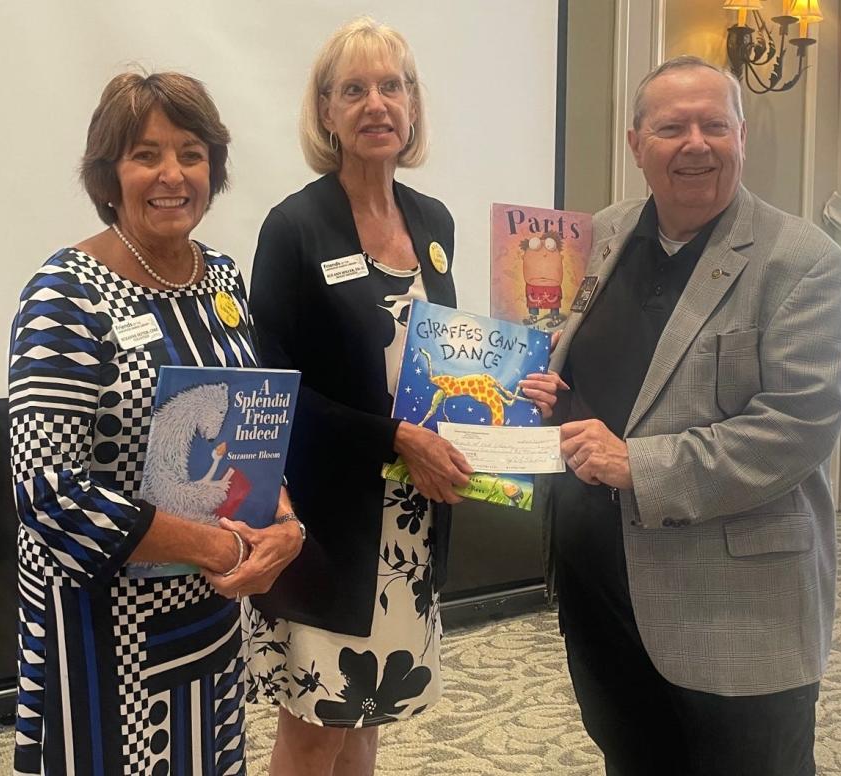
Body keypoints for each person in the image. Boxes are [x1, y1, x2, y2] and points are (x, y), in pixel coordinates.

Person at [244, 17, 559, 776]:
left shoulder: (434, 222)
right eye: (354, 89)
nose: (376, 103)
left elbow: (443, 361)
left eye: (393, 86)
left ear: (413, 105)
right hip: (328, 523)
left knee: (370, 713)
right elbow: (274, 387)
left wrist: (516, 394)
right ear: (326, 111)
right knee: (318, 724)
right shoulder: (293, 227)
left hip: (412, 520)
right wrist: (393, 440)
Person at [545, 55, 841, 776]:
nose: (695, 144)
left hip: (734, 607)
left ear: (742, 136)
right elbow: (590, 367)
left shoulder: (804, 263)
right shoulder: (604, 233)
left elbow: (797, 426)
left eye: (714, 125)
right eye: (671, 127)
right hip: (603, 591)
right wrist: (543, 392)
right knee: (631, 758)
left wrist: (638, 464)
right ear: (635, 144)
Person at [8, 71, 304, 775]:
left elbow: (247, 434)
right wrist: (218, 547)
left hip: (206, 612)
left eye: (191, 152)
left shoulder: (222, 281)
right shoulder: (64, 296)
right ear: (109, 175)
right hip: (100, 630)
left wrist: (284, 521)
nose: (172, 174)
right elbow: (49, 492)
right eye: (146, 154)